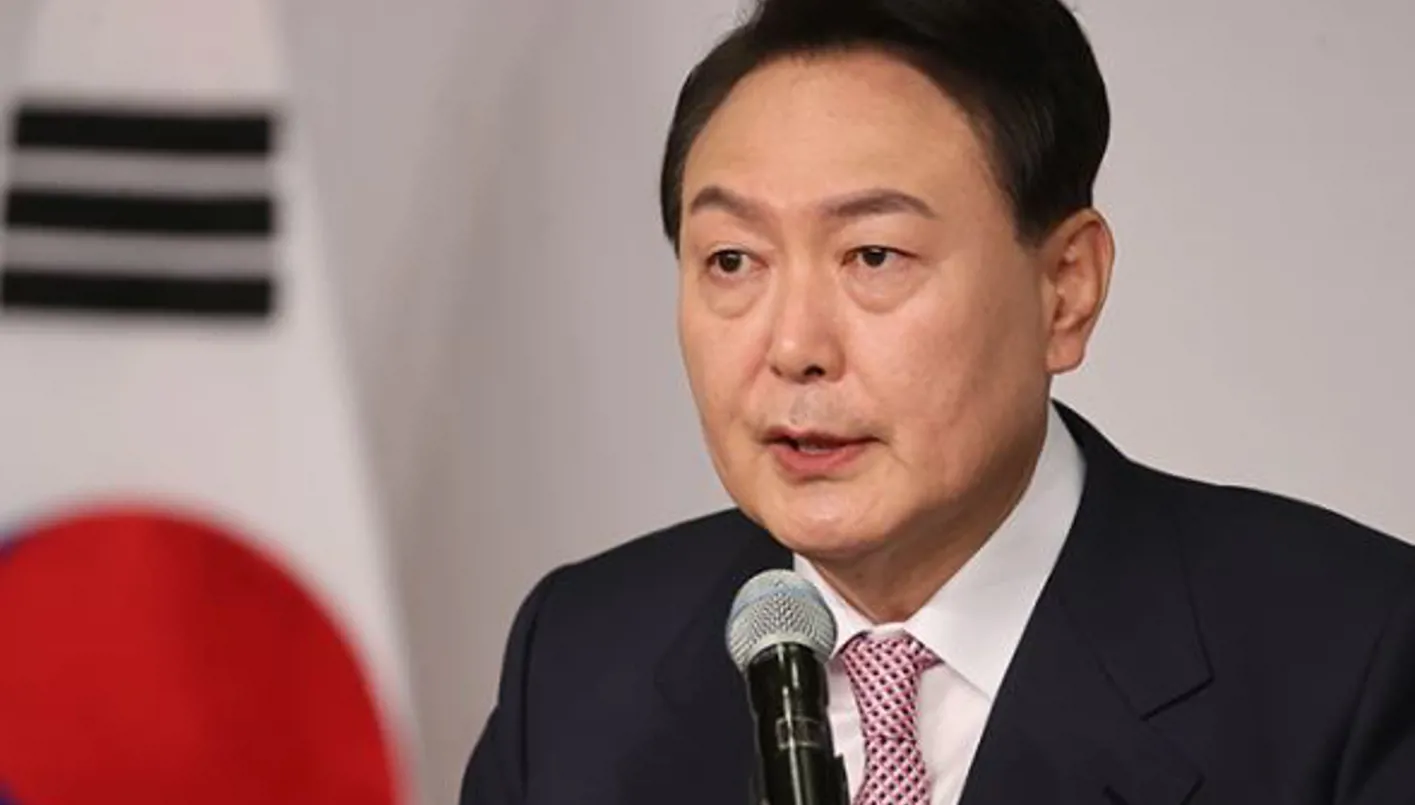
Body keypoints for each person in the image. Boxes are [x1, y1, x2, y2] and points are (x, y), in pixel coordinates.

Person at [460, 0, 1415, 803]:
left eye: (873, 256)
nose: (793, 348)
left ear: (1065, 288)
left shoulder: (1353, 657)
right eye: (732, 261)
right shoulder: (579, 662)